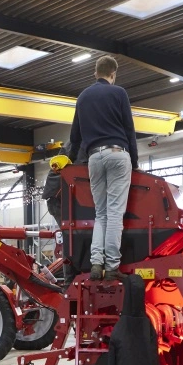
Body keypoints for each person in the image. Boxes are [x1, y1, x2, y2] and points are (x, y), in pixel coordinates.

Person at [63, 55, 138, 281]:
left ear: (95, 73)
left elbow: (74, 136)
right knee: (115, 213)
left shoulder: (83, 97)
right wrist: (134, 163)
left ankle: (96, 263)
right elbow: (129, 130)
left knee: (101, 214)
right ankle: (112, 265)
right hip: (118, 154)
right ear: (113, 74)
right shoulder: (119, 93)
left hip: (94, 157)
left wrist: (69, 162)